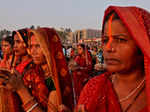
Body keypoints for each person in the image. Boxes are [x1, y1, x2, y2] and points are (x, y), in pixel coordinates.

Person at [77, 6, 150, 112]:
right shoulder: (93, 88)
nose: (108, 48)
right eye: (105, 40)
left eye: (120, 40)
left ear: (143, 43)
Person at [0, 27, 74, 112]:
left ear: (50, 48)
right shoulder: (32, 73)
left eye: (38, 46)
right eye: (31, 46)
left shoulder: (55, 83)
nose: (33, 51)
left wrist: (21, 89)